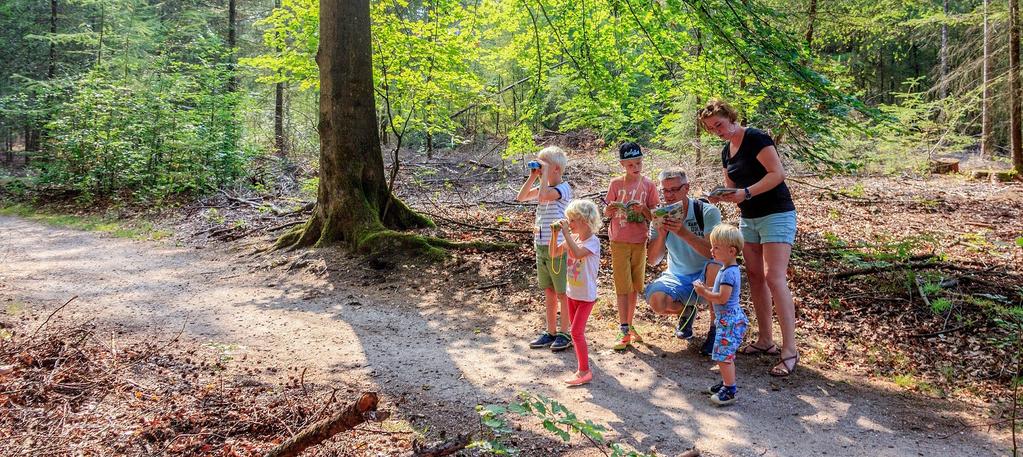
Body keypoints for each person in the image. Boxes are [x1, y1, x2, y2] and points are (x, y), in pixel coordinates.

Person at [698, 100, 799, 377]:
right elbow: (733, 189)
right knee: (754, 276)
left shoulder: (755, 138)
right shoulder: (725, 152)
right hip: (749, 218)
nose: (717, 131)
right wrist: (721, 195)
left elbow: (777, 174)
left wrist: (747, 193)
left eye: (719, 124)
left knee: (773, 277)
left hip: (776, 213)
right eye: (711, 128)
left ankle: (789, 350)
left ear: (731, 117)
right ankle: (765, 340)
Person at [644, 169, 722, 356]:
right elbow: (653, 260)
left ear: (686, 188)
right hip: (678, 276)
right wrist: (662, 234)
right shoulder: (660, 216)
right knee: (657, 301)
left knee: (715, 267)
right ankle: (686, 311)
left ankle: (715, 329)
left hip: (706, 275)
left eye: (675, 190)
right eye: (665, 191)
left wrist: (683, 233)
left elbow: (714, 253)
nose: (669, 195)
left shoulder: (707, 212)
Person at [516, 146, 573, 352]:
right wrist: (534, 176)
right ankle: (550, 331)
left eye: (542, 165)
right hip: (541, 246)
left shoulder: (564, 189)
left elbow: (543, 196)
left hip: (558, 248)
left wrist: (544, 175)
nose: (539, 169)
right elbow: (521, 197)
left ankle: (565, 332)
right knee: (548, 291)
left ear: (556, 169)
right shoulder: (543, 186)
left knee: (562, 293)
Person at [604, 142, 658, 351]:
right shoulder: (616, 184)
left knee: (636, 284)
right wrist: (611, 208)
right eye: (631, 164)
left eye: (638, 163)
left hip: (640, 239)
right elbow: (608, 211)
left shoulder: (648, 185)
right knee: (622, 284)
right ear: (623, 165)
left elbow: (654, 215)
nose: (636, 167)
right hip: (619, 239)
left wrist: (643, 209)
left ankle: (630, 324)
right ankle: (623, 328)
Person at [693, 224, 749, 406]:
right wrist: (706, 288)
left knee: (724, 356)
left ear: (732, 251)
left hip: (730, 321)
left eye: (716, 247)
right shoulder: (726, 269)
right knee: (721, 354)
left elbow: (722, 298)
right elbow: (719, 292)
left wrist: (703, 293)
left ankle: (730, 389)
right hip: (726, 319)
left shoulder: (728, 273)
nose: (712, 250)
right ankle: (726, 383)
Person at [549, 199, 603, 386]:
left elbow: (579, 254)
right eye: (568, 220)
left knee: (577, 332)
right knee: (576, 333)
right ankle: (582, 366)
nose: (569, 224)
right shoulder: (575, 239)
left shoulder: (593, 242)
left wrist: (566, 234)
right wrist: (555, 234)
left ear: (585, 221)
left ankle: (584, 371)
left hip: (586, 296)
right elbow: (554, 253)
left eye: (573, 220)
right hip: (572, 293)